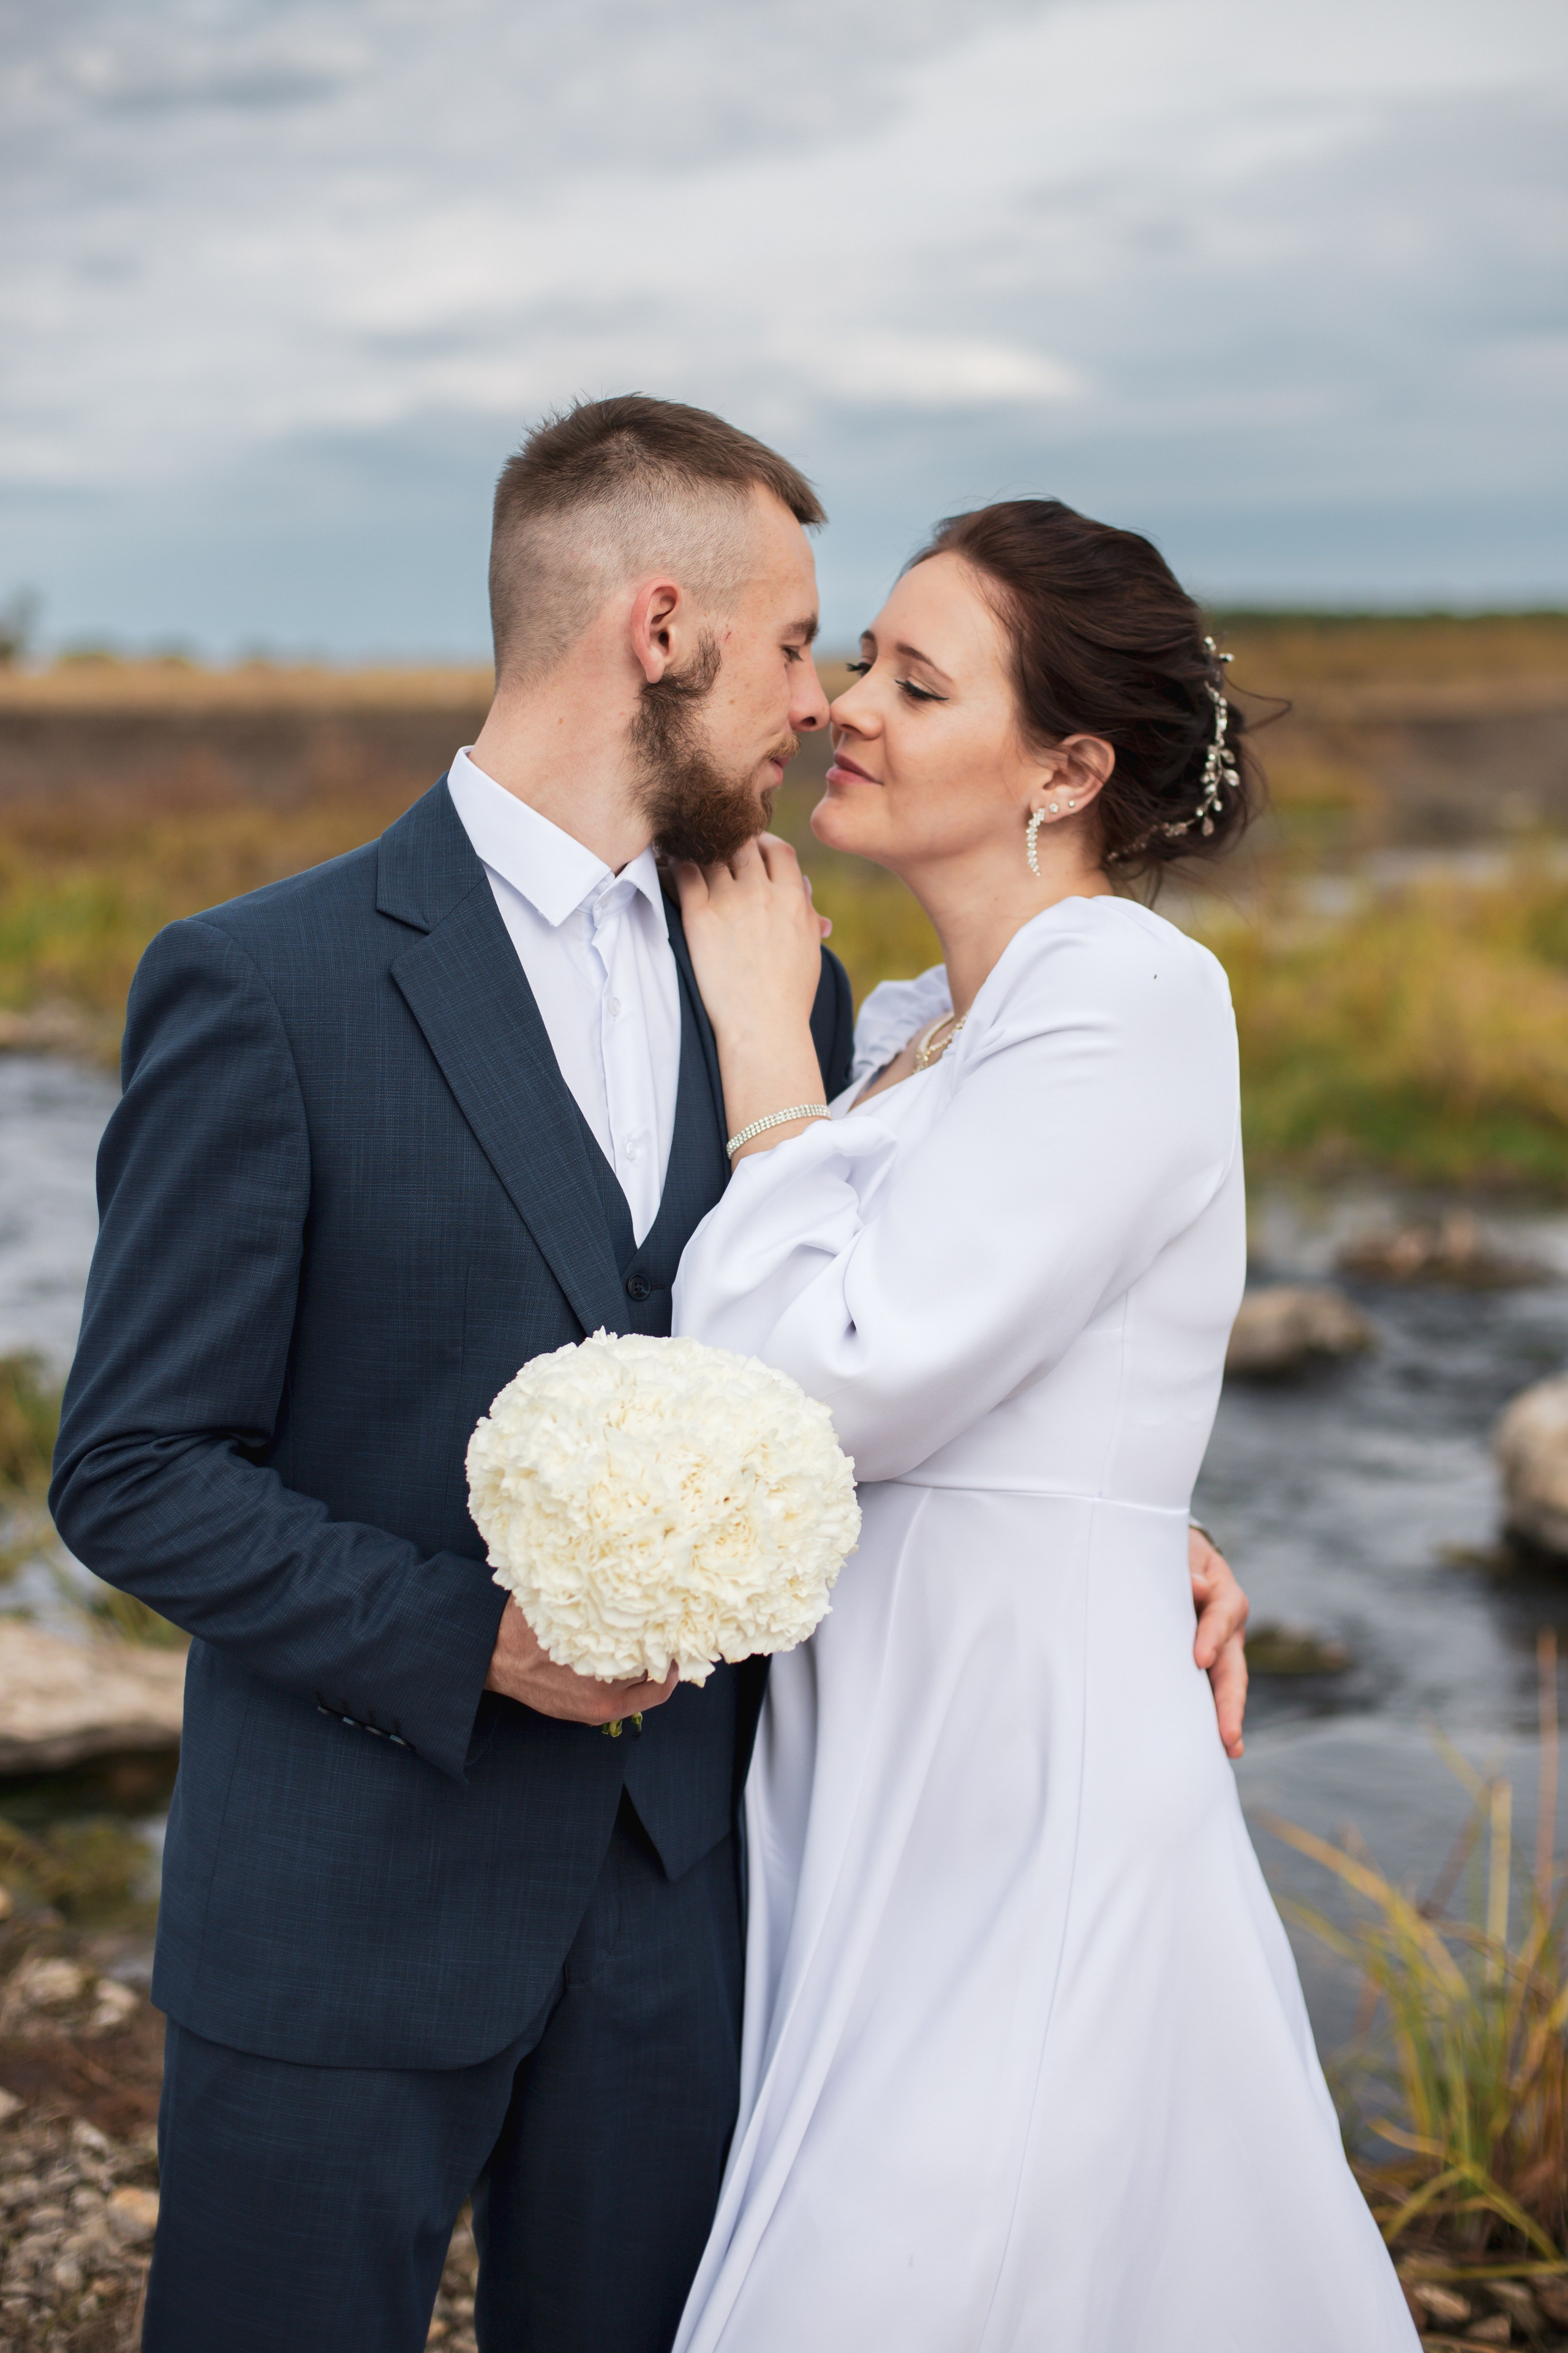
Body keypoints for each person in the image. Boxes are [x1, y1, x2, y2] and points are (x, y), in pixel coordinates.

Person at [50, 400, 1248, 2353]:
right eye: (800, 645)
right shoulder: (271, 982)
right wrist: (474, 1644)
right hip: (350, 1896)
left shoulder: (798, 984)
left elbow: (910, 1343)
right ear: (663, 628)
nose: (824, 702)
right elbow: (134, 1466)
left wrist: (1147, 1530)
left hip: (693, 1909)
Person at [669, 500, 1420, 2350]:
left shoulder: (1130, 994)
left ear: (1071, 765)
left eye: (918, 683)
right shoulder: (922, 1019)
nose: (850, 705)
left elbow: (827, 1376)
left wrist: (764, 1056)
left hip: (1020, 1762)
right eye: (862, 662)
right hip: (882, 1748)